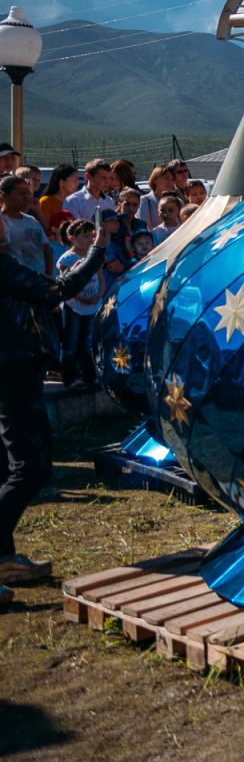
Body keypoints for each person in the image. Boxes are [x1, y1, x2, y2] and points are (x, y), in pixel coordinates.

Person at [0, 211, 109, 603]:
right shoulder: (2, 266)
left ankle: (5, 557)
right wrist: (96, 253)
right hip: (12, 369)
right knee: (32, 466)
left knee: (7, 466)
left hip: (13, 367)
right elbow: (58, 289)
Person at [56, 221, 106, 389]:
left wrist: (99, 294)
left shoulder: (92, 255)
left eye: (91, 236)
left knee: (88, 341)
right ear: (72, 238)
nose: (89, 240)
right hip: (74, 305)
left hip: (92, 304)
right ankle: (71, 377)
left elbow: (100, 276)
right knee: (70, 341)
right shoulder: (67, 259)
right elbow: (65, 284)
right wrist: (82, 298)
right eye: (85, 236)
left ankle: (90, 375)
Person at [0, 176, 49, 276]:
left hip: (38, 283)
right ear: (4, 196)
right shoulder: (2, 223)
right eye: (21, 194)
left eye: (28, 193)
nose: (28, 197)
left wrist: (48, 276)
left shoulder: (32, 221)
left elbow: (46, 251)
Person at [63, 158, 117, 222]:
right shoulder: (73, 201)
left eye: (110, 178)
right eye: (103, 178)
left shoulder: (109, 202)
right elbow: (71, 229)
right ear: (88, 176)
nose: (107, 182)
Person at [36, 164, 78, 235]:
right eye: (74, 181)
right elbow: (44, 229)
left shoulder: (76, 200)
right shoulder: (46, 201)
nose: (77, 184)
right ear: (61, 183)